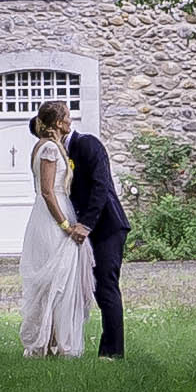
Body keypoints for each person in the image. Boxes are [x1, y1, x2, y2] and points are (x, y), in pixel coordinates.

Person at [19, 100, 92, 356]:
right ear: (59, 122)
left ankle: (52, 340)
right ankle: (51, 342)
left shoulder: (47, 146)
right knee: (57, 281)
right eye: (68, 117)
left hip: (53, 212)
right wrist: (65, 225)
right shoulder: (49, 148)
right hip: (52, 218)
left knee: (58, 280)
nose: (71, 122)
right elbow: (48, 192)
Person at [63, 110, 132, 357]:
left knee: (106, 287)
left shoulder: (87, 144)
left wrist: (86, 224)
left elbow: (101, 186)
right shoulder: (61, 153)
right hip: (83, 228)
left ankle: (112, 352)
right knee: (89, 289)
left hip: (107, 227)